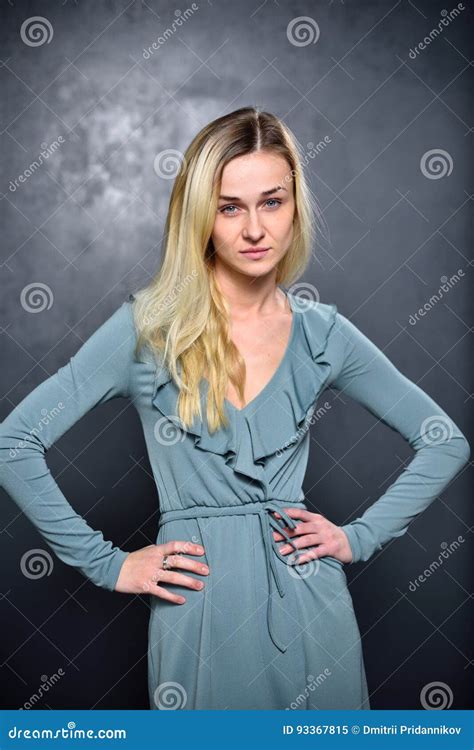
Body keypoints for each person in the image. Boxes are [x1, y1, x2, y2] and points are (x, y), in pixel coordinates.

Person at [0, 107, 470, 711]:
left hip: (312, 608)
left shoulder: (323, 334)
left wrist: (358, 537)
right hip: (197, 616)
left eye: (272, 202)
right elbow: (14, 443)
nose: (255, 229)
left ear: (295, 206)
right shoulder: (146, 331)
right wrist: (108, 564)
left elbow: (444, 441)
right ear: (201, 218)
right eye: (230, 207)